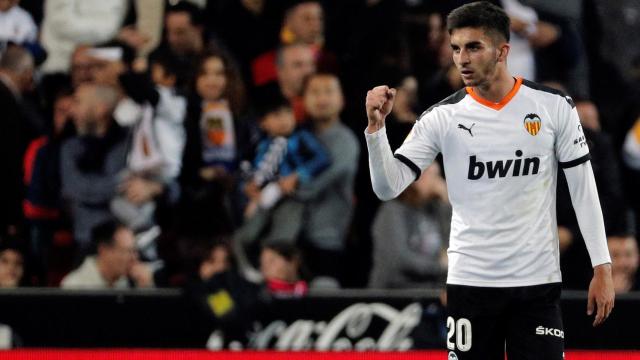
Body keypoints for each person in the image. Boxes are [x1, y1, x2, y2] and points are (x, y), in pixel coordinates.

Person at [364, 2, 614, 359]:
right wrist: (377, 131)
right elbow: (387, 187)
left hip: (537, 283)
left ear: (502, 51)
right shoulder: (441, 117)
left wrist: (601, 266)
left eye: (473, 47)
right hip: (471, 283)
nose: (462, 58)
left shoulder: (554, 106)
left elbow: (583, 188)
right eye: (455, 48)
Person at [60, 221, 154, 289]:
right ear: (104, 251)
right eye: (127, 251)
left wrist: (146, 288)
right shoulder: (74, 286)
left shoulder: (131, 281)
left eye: (134, 251)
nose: (134, 258)